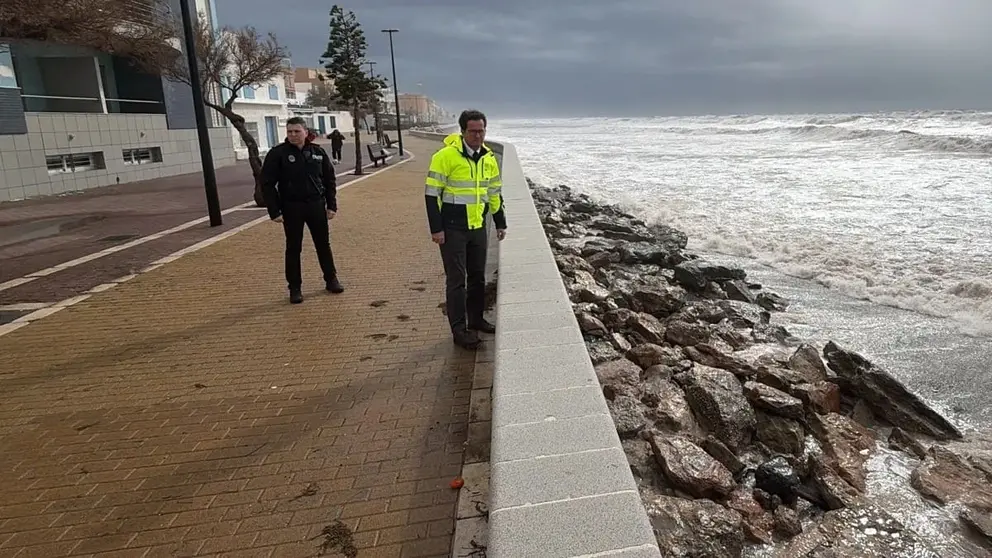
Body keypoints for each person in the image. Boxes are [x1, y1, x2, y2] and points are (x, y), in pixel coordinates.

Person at [425, 109, 507, 349]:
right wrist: (436, 229)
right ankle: (459, 331)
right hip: (452, 228)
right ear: (462, 131)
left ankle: (477, 319)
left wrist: (500, 222)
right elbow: (431, 195)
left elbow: (494, 194)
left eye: (481, 131)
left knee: (477, 278)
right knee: (456, 281)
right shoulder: (445, 156)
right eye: (472, 131)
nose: (478, 136)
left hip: (478, 226)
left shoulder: (488, 158)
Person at [260, 117, 344, 304]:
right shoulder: (277, 154)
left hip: (316, 205)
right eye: (289, 131)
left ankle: (331, 279)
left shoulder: (317, 152)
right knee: (293, 248)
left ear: (306, 132)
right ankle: (295, 288)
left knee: (323, 245)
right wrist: (274, 211)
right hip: (291, 207)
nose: (293, 135)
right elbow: (266, 184)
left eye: (297, 131)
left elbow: (329, 180)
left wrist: (331, 206)